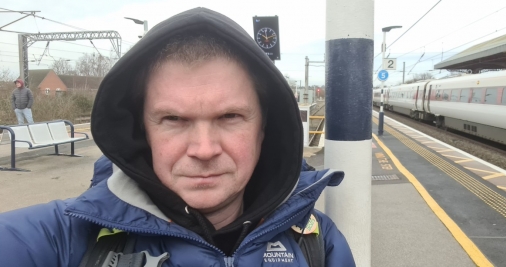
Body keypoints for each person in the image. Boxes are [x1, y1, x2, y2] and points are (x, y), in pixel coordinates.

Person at [0, 7, 355, 267]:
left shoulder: (317, 242)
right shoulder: (67, 237)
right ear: (143, 131)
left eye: (230, 116)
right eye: (173, 119)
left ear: (263, 130)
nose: (204, 149)